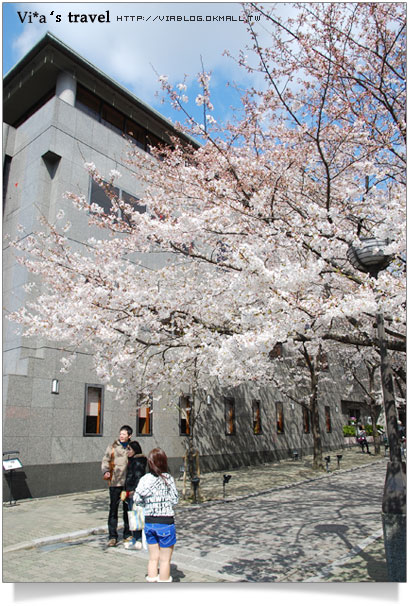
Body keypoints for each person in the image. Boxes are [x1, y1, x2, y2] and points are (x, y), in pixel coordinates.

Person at [133, 448, 179, 582]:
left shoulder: (145, 479)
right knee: (165, 560)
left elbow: (137, 498)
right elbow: (175, 499)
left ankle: (151, 579)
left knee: (153, 558)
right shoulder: (168, 479)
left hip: (149, 522)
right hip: (165, 522)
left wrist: (147, 503)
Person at [101, 424, 133, 547]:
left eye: (124, 434)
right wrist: (106, 471)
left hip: (127, 484)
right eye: (120, 434)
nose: (121, 436)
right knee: (113, 509)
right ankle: (112, 536)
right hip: (115, 482)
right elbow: (105, 460)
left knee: (127, 509)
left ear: (129, 436)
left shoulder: (132, 447)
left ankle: (127, 534)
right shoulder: (112, 447)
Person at [120, 440, 147, 550]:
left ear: (135, 450)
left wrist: (133, 491)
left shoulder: (138, 461)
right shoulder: (133, 461)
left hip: (134, 493)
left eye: (129, 449)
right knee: (133, 514)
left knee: (136, 515)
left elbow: (138, 476)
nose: (127, 451)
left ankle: (138, 539)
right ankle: (136, 538)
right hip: (130, 491)